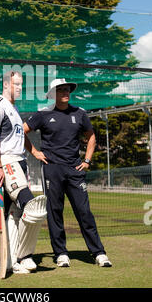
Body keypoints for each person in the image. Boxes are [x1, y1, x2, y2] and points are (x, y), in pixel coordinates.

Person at [23, 78, 112, 268]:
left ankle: (99, 252)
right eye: (61, 89)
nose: (65, 92)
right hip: (52, 169)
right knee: (54, 212)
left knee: (84, 211)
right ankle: (61, 254)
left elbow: (91, 137)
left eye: (67, 89)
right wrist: (35, 152)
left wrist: (87, 160)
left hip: (75, 169)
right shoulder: (43, 114)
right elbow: (22, 131)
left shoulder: (79, 113)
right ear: (53, 94)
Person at [0, 70, 47, 274]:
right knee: (32, 205)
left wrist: (35, 152)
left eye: (21, 84)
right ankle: (25, 256)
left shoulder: (14, 108)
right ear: (5, 85)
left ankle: (8, 261)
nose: (19, 88)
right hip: (8, 162)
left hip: (21, 163)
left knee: (14, 214)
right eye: (16, 84)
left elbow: (20, 137)